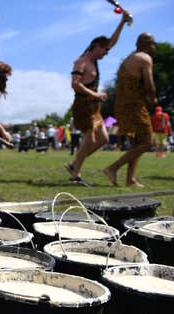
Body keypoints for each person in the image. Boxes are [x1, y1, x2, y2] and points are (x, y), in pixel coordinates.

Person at [65, 11, 131, 184]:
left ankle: (74, 164)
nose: (106, 53)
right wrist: (96, 94)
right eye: (104, 50)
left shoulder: (95, 61)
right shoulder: (81, 62)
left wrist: (122, 22)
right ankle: (75, 176)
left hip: (95, 107)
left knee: (103, 139)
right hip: (83, 105)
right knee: (90, 139)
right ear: (96, 46)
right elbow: (75, 84)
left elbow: (112, 42)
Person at [103, 33, 158, 188]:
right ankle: (112, 168)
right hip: (135, 105)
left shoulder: (128, 59)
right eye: (153, 44)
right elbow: (149, 84)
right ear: (147, 44)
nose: (154, 47)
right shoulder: (145, 58)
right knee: (147, 142)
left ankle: (130, 180)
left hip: (121, 105)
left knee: (136, 143)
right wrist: (153, 98)